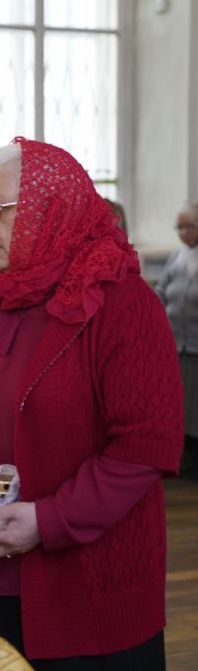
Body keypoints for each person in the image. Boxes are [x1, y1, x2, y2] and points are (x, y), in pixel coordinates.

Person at [0, 137, 184, 668]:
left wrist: (48, 521)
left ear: (51, 210)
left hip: (84, 586)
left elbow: (143, 448)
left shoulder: (122, 302)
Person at [155, 201, 198, 480]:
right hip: (176, 343)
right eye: (179, 227)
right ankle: (182, 456)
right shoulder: (178, 256)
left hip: (196, 344)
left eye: (188, 226)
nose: (183, 232)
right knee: (180, 403)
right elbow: (161, 290)